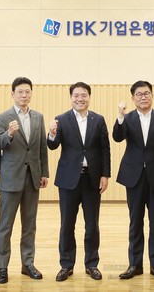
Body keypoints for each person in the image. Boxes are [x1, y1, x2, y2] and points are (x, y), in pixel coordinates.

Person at [47, 82, 111, 282]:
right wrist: (51, 133)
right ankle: (66, 265)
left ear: (89, 97)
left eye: (83, 95)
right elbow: (52, 145)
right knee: (67, 224)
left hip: (92, 179)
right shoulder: (61, 119)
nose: (80, 99)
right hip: (68, 180)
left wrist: (105, 175)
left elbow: (105, 149)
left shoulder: (98, 120)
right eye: (76, 95)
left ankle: (92, 264)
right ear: (71, 98)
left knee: (92, 225)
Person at [113, 80, 154, 282]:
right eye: (139, 94)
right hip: (134, 177)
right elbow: (117, 137)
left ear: (152, 95)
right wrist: (120, 116)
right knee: (135, 222)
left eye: (147, 93)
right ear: (133, 98)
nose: (143, 97)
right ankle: (135, 264)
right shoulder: (127, 118)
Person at [0, 77, 49, 284]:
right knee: (5, 225)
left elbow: (41, 147)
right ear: (13, 94)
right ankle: (2, 267)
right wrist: (9, 133)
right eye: (20, 92)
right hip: (10, 180)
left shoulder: (38, 117)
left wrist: (44, 172)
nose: (24, 95)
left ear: (31, 93)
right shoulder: (3, 117)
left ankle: (28, 263)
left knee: (29, 225)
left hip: (32, 178)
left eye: (27, 92)